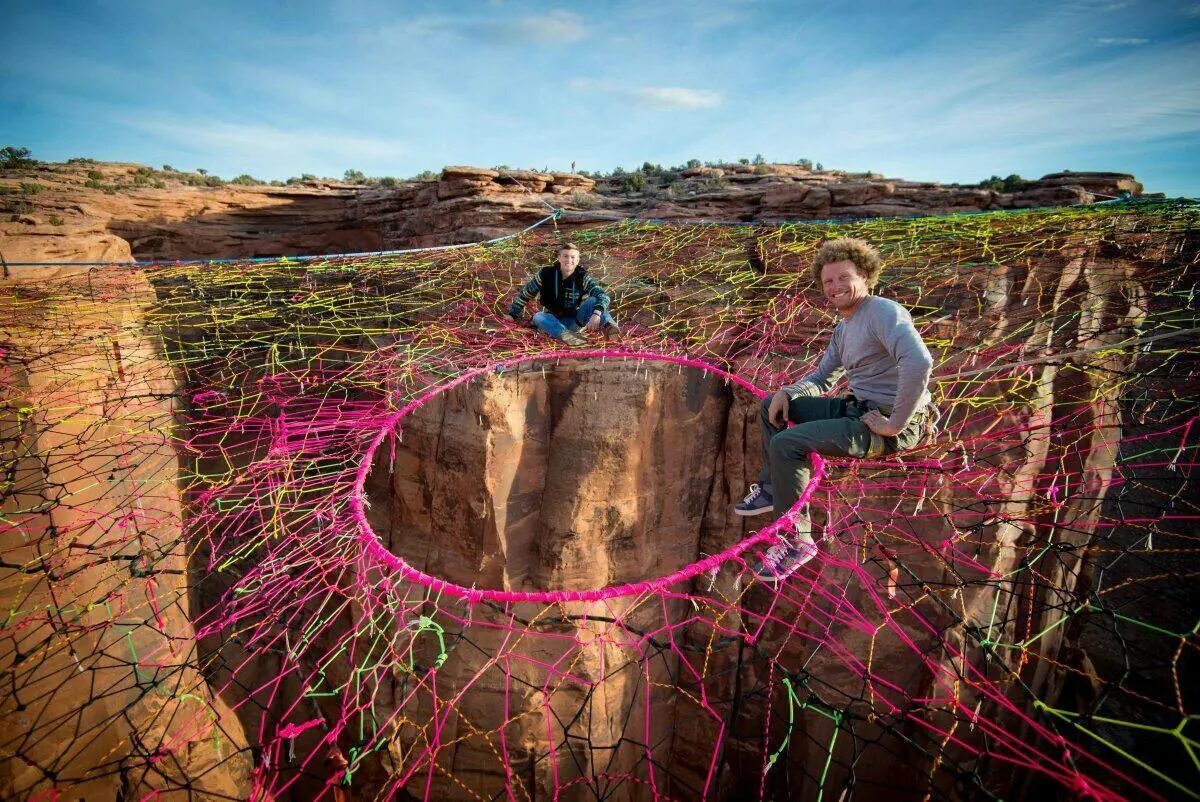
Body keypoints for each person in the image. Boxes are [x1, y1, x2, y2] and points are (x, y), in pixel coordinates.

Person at [737, 237, 934, 581]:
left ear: (865, 277)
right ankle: (772, 488)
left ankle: (797, 542)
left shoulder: (882, 312)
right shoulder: (844, 327)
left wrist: (895, 424)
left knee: (787, 444)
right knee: (772, 404)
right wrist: (788, 391)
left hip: (885, 427)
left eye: (844, 277)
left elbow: (919, 363)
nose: (835, 286)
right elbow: (824, 377)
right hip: (858, 411)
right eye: (828, 281)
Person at [506, 242, 619, 344]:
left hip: (575, 321)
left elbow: (603, 295)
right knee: (538, 317)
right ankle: (569, 337)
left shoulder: (582, 277)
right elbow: (525, 294)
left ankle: (610, 327)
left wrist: (596, 314)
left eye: (573, 257)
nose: (569, 260)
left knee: (593, 300)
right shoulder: (545, 274)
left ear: (578, 260)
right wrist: (512, 314)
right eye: (565, 256)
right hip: (553, 322)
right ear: (559, 258)